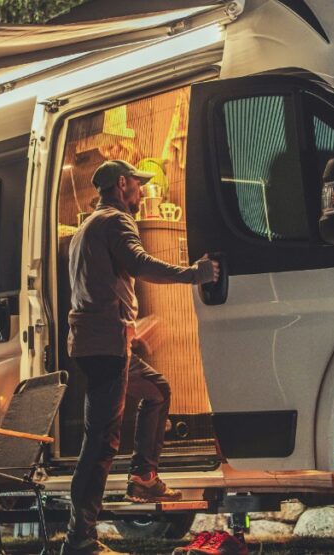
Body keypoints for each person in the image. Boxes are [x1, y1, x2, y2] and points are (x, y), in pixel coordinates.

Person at [61, 159, 220, 555]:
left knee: (158, 391)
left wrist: (130, 327)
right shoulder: (115, 221)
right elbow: (140, 264)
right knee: (100, 443)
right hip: (106, 345)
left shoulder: (85, 227)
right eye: (137, 184)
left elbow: (100, 287)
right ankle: (79, 539)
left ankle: (144, 476)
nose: (141, 191)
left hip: (98, 341)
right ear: (121, 184)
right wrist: (192, 274)